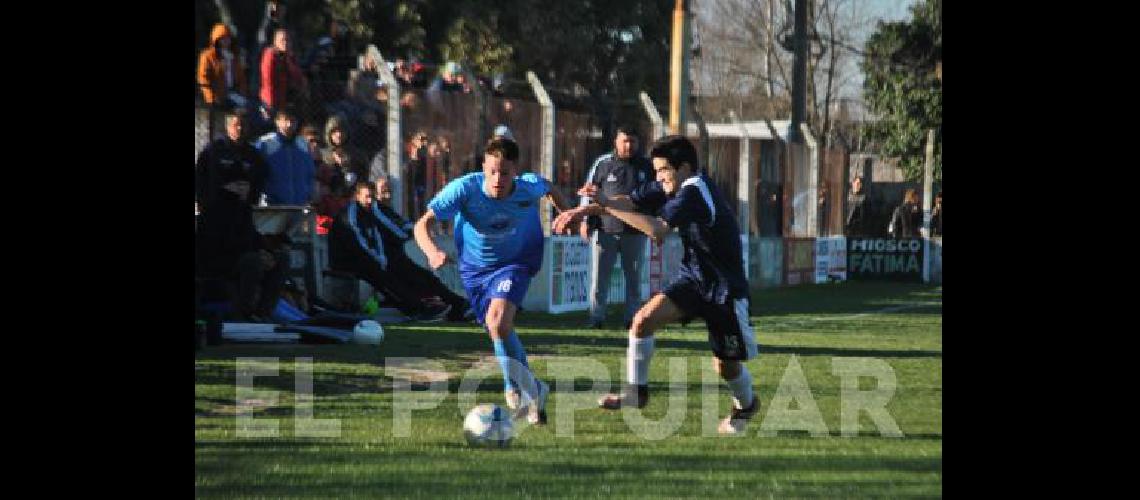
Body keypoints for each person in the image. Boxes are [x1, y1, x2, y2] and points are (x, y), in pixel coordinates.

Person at [553, 135, 761, 435]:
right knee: (642, 321)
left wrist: (609, 208)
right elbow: (630, 201)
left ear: (684, 168)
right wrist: (585, 210)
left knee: (726, 366)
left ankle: (746, 404)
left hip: (724, 290)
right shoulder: (671, 185)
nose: (659, 176)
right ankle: (637, 392)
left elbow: (657, 230)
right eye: (657, 170)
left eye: (664, 170)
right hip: (693, 279)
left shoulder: (693, 192)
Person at [414, 137, 574, 425]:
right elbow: (422, 224)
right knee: (495, 327)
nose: (497, 179)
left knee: (498, 321)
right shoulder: (464, 189)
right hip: (475, 270)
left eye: (504, 172)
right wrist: (432, 251)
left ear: (515, 170)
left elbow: (550, 188)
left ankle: (513, 386)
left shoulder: (527, 187)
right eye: (492, 171)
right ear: (483, 167)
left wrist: (570, 216)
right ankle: (534, 389)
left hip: (517, 261)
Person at [328, 181, 452, 321]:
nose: (370, 201)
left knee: (408, 269)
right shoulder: (350, 215)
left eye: (372, 197)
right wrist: (380, 260)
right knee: (384, 276)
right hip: (350, 262)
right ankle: (417, 309)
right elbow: (361, 244)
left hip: (371, 258)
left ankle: (451, 303)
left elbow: (394, 226)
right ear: (357, 197)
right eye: (366, 197)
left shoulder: (373, 209)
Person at [577, 126, 654, 330]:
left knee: (634, 280)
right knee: (599, 279)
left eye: (633, 141)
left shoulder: (646, 167)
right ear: (616, 142)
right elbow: (588, 191)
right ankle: (596, 317)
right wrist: (585, 219)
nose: (628, 146)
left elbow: (655, 197)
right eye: (624, 141)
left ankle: (632, 319)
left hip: (635, 232)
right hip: (605, 231)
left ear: (638, 143)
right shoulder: (603, 164)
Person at [371, 174, 473, 322]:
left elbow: (403, 225)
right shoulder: (376, 209)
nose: (387, 195)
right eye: (383, 191)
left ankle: (457, 306)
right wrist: (414, 231)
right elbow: (400, 231)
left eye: (389, 191)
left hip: (395, 256)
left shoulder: (386, 209)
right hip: (386, 259)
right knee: (421, 280)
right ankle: (443, 307)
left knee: (426, 279)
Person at [196, 169, 286, 322]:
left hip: (241, 256)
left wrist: (267, 252)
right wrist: (257, 253)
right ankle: (245, 313)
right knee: (252, 261)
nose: (243, 188)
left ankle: (263, 312)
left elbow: (252, 235)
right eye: (239, 184)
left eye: (246, 184)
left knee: (281, 258)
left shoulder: (243, 208)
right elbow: (220, 242)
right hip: (219, 262)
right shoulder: (214, 209)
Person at [195, 110, 268, 214]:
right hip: (216, 209)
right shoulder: (213, 150)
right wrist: (202, 203)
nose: (240, 128)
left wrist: (252, 199)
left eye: (243, 125)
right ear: (228, 127)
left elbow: (260, 180)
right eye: (236, 125)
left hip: (243, 211)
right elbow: (200, 177)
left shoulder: (253, 154)